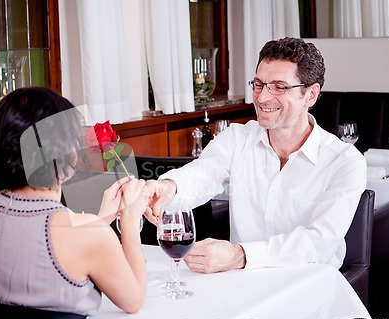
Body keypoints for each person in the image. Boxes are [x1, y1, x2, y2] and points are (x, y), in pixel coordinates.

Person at [145, 37, 366, 273]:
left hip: (309, 287)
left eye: (279, 87)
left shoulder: (345, 162)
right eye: (259, 84)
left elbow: (319, 243)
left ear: (310, 95)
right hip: (243, 284)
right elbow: (200, 176)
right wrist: (167, 188)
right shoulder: (236, 139)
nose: (262, 98)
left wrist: (240, 255)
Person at [0, 87, 148, 319]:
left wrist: (100, 220)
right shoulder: (88, 235)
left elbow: (36, 247)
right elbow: (134, 300)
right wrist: (130, 220)